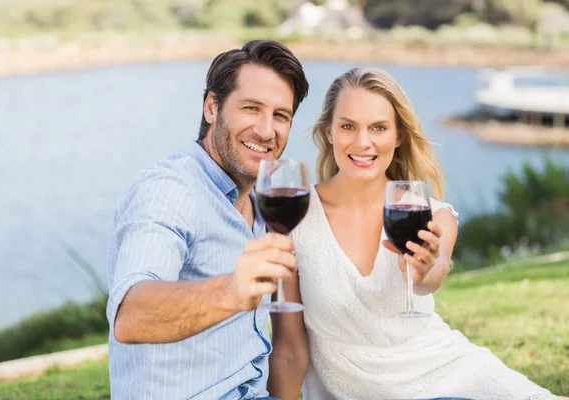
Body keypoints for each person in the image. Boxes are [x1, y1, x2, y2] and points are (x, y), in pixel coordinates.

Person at [267, 67, 558, 400]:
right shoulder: (296, 219)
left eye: (378, 127)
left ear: (398, 135)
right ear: (329, 132)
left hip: (454, 377)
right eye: (348, 126)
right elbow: (289, 349)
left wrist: (422, 270)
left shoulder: (432, 214)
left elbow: (434, 274)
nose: (363, 142)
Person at [106, 39, 309, 400]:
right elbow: (131, 315)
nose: (266, 130)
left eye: (281, 115)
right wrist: (231, 290)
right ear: (212, 107)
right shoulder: (170, 190)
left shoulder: (264, 204)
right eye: (251, 108)